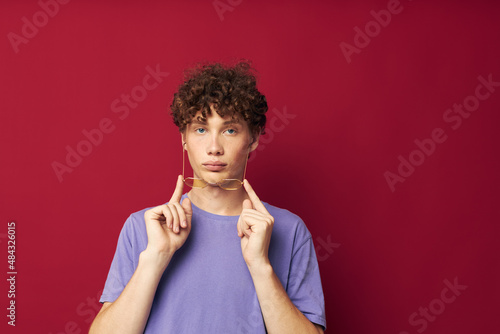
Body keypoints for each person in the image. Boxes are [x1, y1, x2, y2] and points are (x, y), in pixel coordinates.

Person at [90, 61, 326, 333]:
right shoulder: (144, 227)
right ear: (184, 138)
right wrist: (155, 257)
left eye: (230, 130)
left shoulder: (288, 230)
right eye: (201, 129)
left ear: (253, 139)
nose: (214, 148)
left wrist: (261, 266)